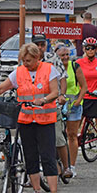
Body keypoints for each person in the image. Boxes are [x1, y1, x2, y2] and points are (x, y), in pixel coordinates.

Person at [0, 44, 62, 193]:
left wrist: (44, 100)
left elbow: (54, 92)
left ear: (37, 58)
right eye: (23, 60)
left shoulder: (49, 70)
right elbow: (3, 87)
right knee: (30, 156)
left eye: (29, 61)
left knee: (47, 156)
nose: (26, 63)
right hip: (25, 120)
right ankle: (37, 192)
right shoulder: (19, 72)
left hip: (45, 120)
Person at [32, 34, 70, 177]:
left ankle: (67, 167)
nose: (40, 48)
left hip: (52, 104)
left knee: (58, 138)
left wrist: (62, 95)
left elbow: (62, 78)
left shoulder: (53, 59)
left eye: (43, 45)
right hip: (33, 105)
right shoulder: (27, 59)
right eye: (38, 45)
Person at [76, 37, 97, 163]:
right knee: (76, 124)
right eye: (88, 48)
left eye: (93, 48)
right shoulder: (79, 62)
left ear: (96, 49)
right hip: (83, 97)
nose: (90, 50)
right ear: (84, 49)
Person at [57, 44, 87, 179]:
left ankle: (72, 165)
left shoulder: (74, 67)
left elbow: (84, 86)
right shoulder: (53, 67)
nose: (65, 57)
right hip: (58, 105)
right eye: (62, 55)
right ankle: (59, 164)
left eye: (67, 55)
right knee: (57, 135)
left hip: (73, 105)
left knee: (72, 135)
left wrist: (78, 100)